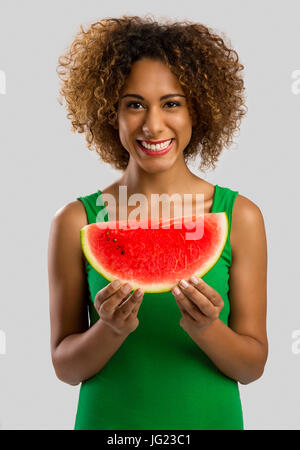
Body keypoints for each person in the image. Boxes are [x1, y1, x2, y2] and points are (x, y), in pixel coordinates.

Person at [48, 15, 268, 430]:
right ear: (109, 113)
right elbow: (66, 368)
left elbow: (252, 366)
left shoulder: (240, 216)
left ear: (196, 111)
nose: (152, 124)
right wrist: (110, 329)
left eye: (172, 103)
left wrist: (206, 329)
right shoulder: (75, 220)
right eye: (134, 104)